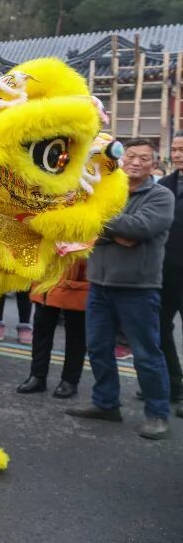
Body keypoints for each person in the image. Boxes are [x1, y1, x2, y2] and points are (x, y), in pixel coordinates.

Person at [67, 139, 174, 439]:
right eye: (130, 156)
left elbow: (138, 229)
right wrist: (115, 232)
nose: (135, 162)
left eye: (144, 158)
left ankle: (157, 413)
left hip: (138, 288)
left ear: (153, 164)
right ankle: (105, 403)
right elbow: (88, 231)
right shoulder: (109, 191)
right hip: (100, 285)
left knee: (146, 353)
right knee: (99, 347)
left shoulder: (160, 195)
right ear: (121, 159)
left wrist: (101, 222)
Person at [16, 261, 88, 398]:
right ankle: (37, 375)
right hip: (49, 273)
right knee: (41, 328)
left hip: (76, 269)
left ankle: (70, 380)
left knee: (76, 331)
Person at [156, 135, 183, 411]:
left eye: (181, 149)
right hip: (164, 273)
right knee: (160, 331)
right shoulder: (163, 186)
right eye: (174, 149)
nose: (177, 154)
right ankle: (172, 386)